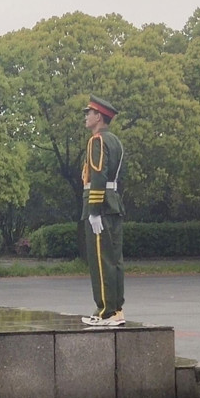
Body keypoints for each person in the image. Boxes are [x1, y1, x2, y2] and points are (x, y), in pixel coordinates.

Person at [80, 95, 126, 326]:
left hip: (101, 204)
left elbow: (98, 175)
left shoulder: (97, 141)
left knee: (101, 259)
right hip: (113, 201)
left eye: (88, 113)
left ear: (98, 116)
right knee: (114, 259)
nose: (86, 117)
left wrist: (94, 209)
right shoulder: (115, 141)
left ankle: (105, 310)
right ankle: (116, 309)